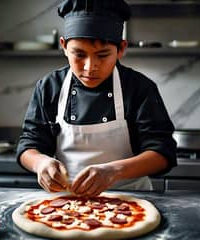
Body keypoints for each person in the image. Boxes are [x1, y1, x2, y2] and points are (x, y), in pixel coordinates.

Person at [16, 0, 177, 196]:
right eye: (79, 54)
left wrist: (113, 171)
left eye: (102, 55)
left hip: (131, 200)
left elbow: (162, 154)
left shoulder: (139, 88)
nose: (89, 67)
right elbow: (28, 145)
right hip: (67, 204)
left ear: (121, 49)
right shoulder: (49, 87)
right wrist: (40, 163)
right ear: (64, 46)